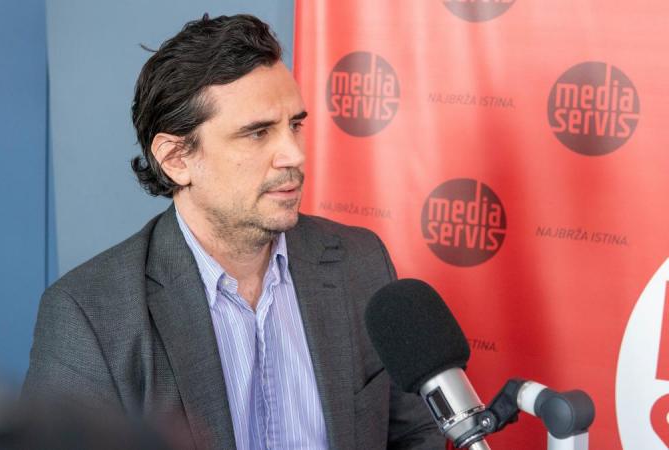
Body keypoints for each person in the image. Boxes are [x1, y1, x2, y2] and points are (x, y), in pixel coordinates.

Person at [24, 13, 444, 450]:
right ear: (176, 159)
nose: (294, 154)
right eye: (258, 133)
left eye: (295, 125)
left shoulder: (360, 264)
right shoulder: (90, 316)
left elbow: (414, 434)